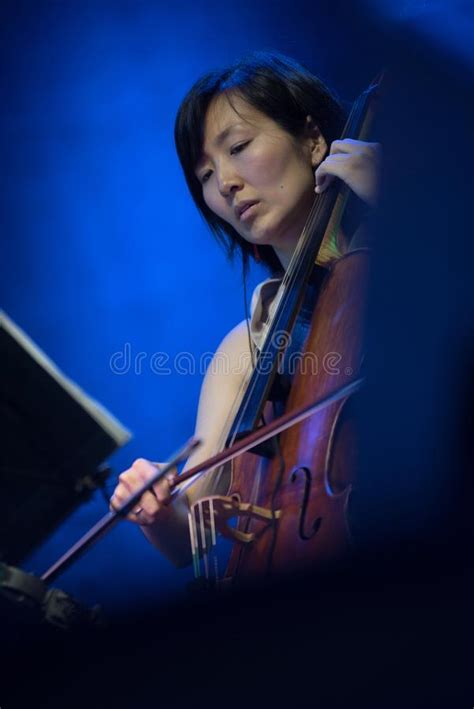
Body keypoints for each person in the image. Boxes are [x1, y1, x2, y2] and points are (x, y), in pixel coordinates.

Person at [110, 51, 380, 569]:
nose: (225, 184)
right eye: (206, 174)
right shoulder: (248, 345)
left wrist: (406, 206)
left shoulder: (414, 248)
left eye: (238, 147)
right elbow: (194, 537)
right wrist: (155, 507)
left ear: (312, 138)